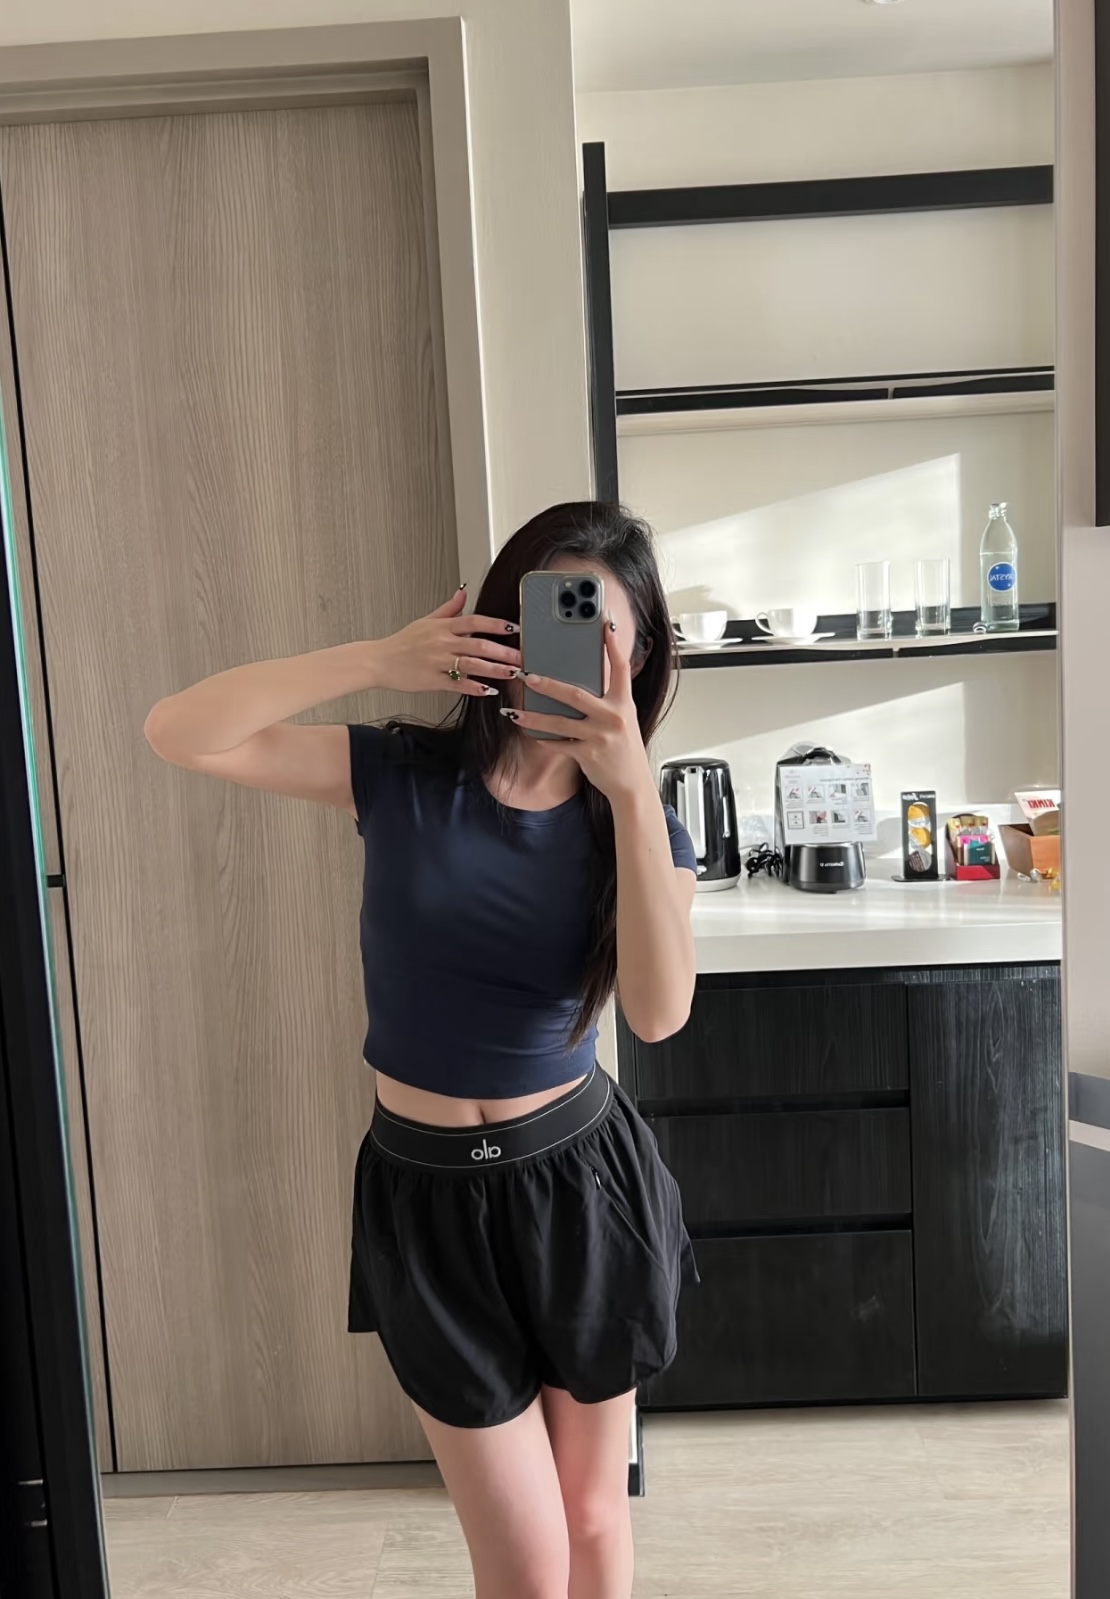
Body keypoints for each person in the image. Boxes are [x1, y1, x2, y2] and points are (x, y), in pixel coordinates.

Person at [144, 501, 699, 1599]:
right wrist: (373, 659)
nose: (564, 654)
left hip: (581, 1189)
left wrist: (632, 788)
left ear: (637, 661)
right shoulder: (401, 774)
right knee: (527, 1561)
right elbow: (179, 731)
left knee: (592, 1522)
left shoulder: (638, 826)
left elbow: (657, 1013)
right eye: (542, 621)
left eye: (600, 634)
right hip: (428, 1200)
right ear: (496, 628)